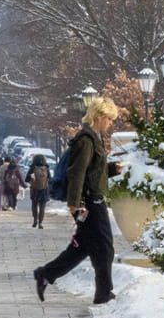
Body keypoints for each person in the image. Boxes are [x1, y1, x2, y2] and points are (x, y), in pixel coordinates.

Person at [34, 96, 120, 305]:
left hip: (92, 199)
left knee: (82, 247)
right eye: (109, 119)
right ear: (99, 116)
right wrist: (75, 204)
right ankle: (103, 293)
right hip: (91, 203)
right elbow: (77, 173)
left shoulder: (93, 138)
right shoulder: (86, 140)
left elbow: (92, 171)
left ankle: (46, 274)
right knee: (105, 248)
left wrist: (112, 169)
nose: (111, 123)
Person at [26, 153, 50, 228]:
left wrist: (32, 180)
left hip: (34, 190)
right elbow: (50, 178)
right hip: (44, 190)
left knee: (34, 205)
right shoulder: (46, 168)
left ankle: (35, 220)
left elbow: (27, 179)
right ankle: (40, 223)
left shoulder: (32, 168)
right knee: (42, 207)